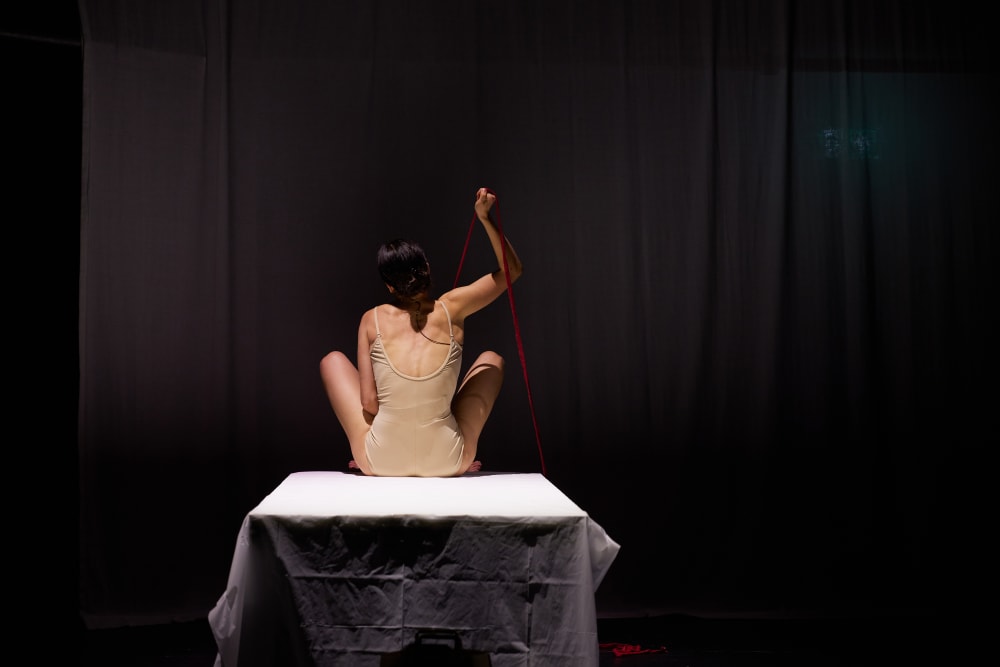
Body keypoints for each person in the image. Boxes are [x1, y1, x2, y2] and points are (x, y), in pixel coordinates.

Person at [320, 187, 523, 476]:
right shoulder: (453, 307)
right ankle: (459, 449)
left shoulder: (372, 319)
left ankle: (367, 454)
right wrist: (485, 218)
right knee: (492, 359)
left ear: (390, 286)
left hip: (381, 460)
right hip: (447, 459)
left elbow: (369, 404)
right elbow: (512, 271)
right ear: (426, 268)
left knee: (332, 361)